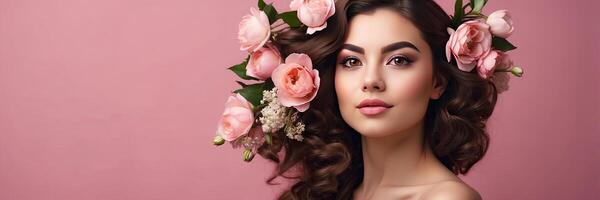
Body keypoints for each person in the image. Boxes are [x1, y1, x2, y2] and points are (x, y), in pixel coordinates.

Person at [215, 0, 522, 199]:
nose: (371, 80)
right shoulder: (344, 191)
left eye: (399, 60)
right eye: (351, 62)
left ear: (438, 81)